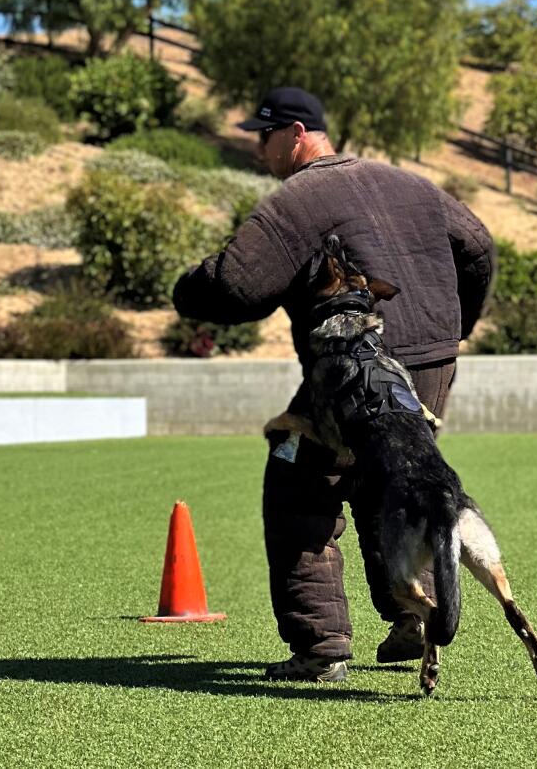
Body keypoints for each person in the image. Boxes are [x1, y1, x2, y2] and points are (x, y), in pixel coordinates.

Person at [172, 87, 496, 682]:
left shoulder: (299, 200)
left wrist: (186, 290)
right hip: (429, 367)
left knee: (300, 491)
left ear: (295, 134)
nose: (258, 149)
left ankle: (321, 647)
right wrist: (456, 326)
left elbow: (240, 286)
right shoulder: (412, 184)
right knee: (388, 478)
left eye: (263, 136)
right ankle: (412, 614)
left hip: (356, 369)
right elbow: (477, 247)